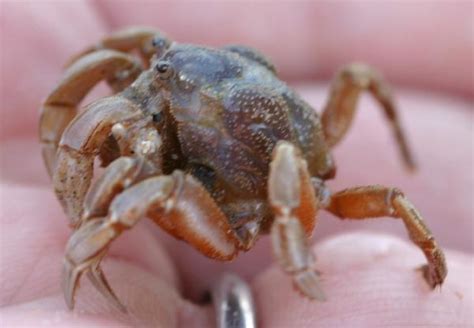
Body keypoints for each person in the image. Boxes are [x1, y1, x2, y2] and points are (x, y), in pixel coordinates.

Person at [0, 2, 472, 327]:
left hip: (281, 193)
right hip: (234, 154)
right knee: (140, 84)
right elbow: (116, 65)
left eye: (169, 78)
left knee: (164, 182)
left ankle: (297, 266)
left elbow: (391, 200)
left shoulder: (253, 137)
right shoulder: (166, 85)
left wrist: (428, 253)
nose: (152, 75)